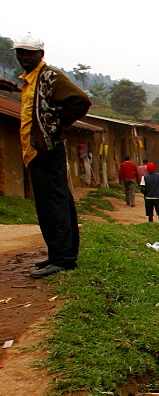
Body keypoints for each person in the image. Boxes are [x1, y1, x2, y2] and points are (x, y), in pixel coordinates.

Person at [0, 34, 91, 278]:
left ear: (41, 54)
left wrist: (55, 126)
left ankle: (64, 260)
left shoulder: (50, 76)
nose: (24, 57)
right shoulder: (30, 80)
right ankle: (58, 254)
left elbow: (80, 101)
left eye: (29, 53)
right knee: (51, 204)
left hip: (47, 150)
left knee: (54, 204)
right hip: (36, 151)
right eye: (20, 52)